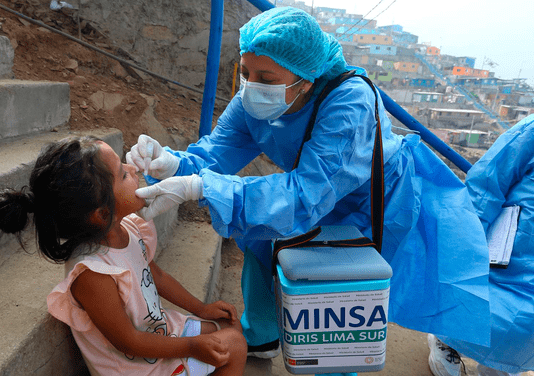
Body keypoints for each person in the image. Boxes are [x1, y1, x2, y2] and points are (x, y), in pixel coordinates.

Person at [128, 6, 491, 358]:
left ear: (308, 79)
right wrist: (173, 163)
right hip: (313, 188)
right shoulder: (253, 100)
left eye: (267, 79)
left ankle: (337, 364)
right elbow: (217, 150)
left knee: (343, 294)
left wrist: (201, 187)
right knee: (259, 234)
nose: (252, 87)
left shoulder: (349, 103)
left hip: (372, 199)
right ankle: (262, 333)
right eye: (246, 72)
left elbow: (305, 196)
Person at [0, 135, 247, 375]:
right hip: (136, 366)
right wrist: (190, 347)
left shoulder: (129, 228)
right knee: (233, 345)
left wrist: (201, 309)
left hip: (158, 332)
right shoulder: (93, 273)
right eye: (123, 175)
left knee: (230, 328)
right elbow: (128, 341)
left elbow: (157, 275)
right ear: (101, 214)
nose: (132, 169)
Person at [427, 114, 534, 376]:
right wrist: (469, 234)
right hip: (509, 242)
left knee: (524, 322)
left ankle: (499, 366)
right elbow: (489, 180)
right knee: (481, 298)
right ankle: (444, 337)